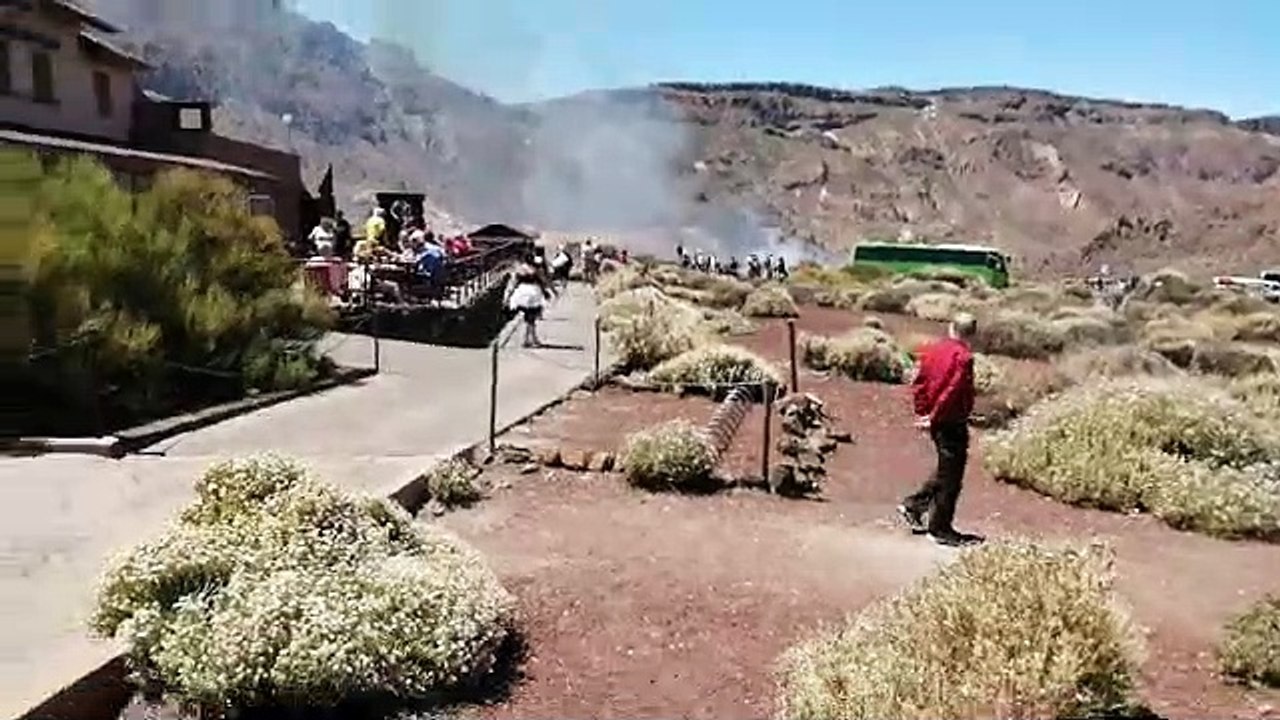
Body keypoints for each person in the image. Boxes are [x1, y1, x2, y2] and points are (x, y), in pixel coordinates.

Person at [898, 312, 984, 547]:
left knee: (948, 470)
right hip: (950, 420)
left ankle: (914, 506)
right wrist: (933, 417)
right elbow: (953, 390)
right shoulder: (964, 357)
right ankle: (939, 528)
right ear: (972, 334)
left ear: (951, 327)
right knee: (952, 477)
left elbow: (920, 383)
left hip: (940, 418)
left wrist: (923, 412)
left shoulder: (934, 350)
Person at [505, 263, 554, 348]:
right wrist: (546, 292)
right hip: (533, 294)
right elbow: (542, 282)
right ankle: (530, 339)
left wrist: (508, 296)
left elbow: (513, 284)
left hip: (522, 294)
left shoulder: (519, 269)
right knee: (531, 318)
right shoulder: (536, 270)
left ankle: (529, 339)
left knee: (528, 318)